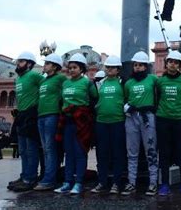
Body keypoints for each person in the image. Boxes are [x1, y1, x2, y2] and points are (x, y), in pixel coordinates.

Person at [54, 53, 98, 194]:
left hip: (81, 122)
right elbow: (62, 100)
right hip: (67, 121)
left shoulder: (87, 83)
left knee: (80, 152)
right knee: (69, 153)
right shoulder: (65, 83)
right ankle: (67, 182)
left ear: (82, 69)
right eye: (70, 67)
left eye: (75, 67)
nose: (71, 70)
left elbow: (95, 98)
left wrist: (84, 112)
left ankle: (79, 182)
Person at [121, 51, 159, 196]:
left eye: (141, 65)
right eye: (135, 65)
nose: (137, 67)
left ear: (146, 67)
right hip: (131, 117)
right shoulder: (128, 83)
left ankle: (153, 183)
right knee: (132, 152)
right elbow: (125, 98)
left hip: (147, 118)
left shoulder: (153, 79)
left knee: (151, 151)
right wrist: (127, 107)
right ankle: (131, 183)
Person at [156, 50, 181, 196]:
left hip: (180, 120)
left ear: (179, 65)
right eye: (170, 62)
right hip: (163, 120)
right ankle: (164, 184)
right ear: (166, 64)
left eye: (176, 62)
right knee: (164, 153)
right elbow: (156, 98)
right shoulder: (160, 81)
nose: (172, 65)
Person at [7, 51, 44, 193]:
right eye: (18, 62)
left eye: (21, 62)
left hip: (31, 114)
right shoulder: (19, 79)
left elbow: (47, 88)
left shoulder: (34, 75)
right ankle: (24, 176)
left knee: (31, 149)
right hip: (21, 115)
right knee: (22, 149)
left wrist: (39, 104)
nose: (18, 64)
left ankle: (31, 178)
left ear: (29, 64)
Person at [91, 56, 126, 195]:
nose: (109, 69)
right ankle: (102, 182)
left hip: (118, 122)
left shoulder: (123, 83)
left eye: (112, 67)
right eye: (107, 67)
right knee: (102, 154)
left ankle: (116, 183)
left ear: (118, 69)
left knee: (117, 154)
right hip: (101, 122)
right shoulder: (100, 84)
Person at [33, 53, 67, 191]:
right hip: (41, 116)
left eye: (47, 63)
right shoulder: (44, 81)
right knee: (45, 149)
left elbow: (68, 91)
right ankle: (47, 176)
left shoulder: (60, 78)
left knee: (50, 148)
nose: (44, 66)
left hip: (52, 115)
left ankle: (49, 179)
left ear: (54, 66)